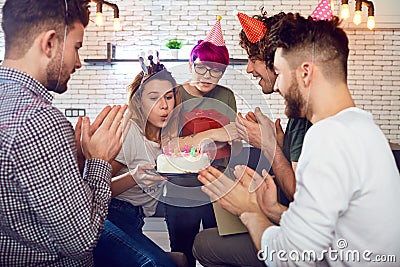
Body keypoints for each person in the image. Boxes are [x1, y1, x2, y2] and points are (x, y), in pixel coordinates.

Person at [198, 12, 400, 266]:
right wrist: (273, 210)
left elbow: (290, 257)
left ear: (305, 73)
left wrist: (249, 212)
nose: (279, 85)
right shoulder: (361, 127)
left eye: (280, 73)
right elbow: (335, 235)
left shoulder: (328, 137)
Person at [0, 0, 130, 266]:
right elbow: (81, 242)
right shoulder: (39, 120)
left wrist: (78, 162)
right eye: (77, 48)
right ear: (49, 43)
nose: (79, 62)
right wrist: (99, 161)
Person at [193, 10, 310, 267]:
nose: (248, 68)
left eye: (253, 59)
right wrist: (279, 143)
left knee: (203, 244)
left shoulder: (307, 116)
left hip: (305, 240)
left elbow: (297, 195)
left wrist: (269, 146)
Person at [163, 18, 239, 267]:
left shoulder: (226, 95)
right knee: (182, 250)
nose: (208, 75)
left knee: (219, 250)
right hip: (181, 185)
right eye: (202, 67)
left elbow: (234, 137)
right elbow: (169, 145)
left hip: (219, 182)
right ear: (191, 64)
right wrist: (213, 135)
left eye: (216, 70)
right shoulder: (176, 95)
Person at [93, 59, 183, 267]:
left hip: (135, 221)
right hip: (107, 215)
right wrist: (134, 177)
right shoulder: (129, 131)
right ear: (139, 102)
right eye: (153, 98)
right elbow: (93, 189)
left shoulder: (170, 139)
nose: (163, 106)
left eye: (168, 97)